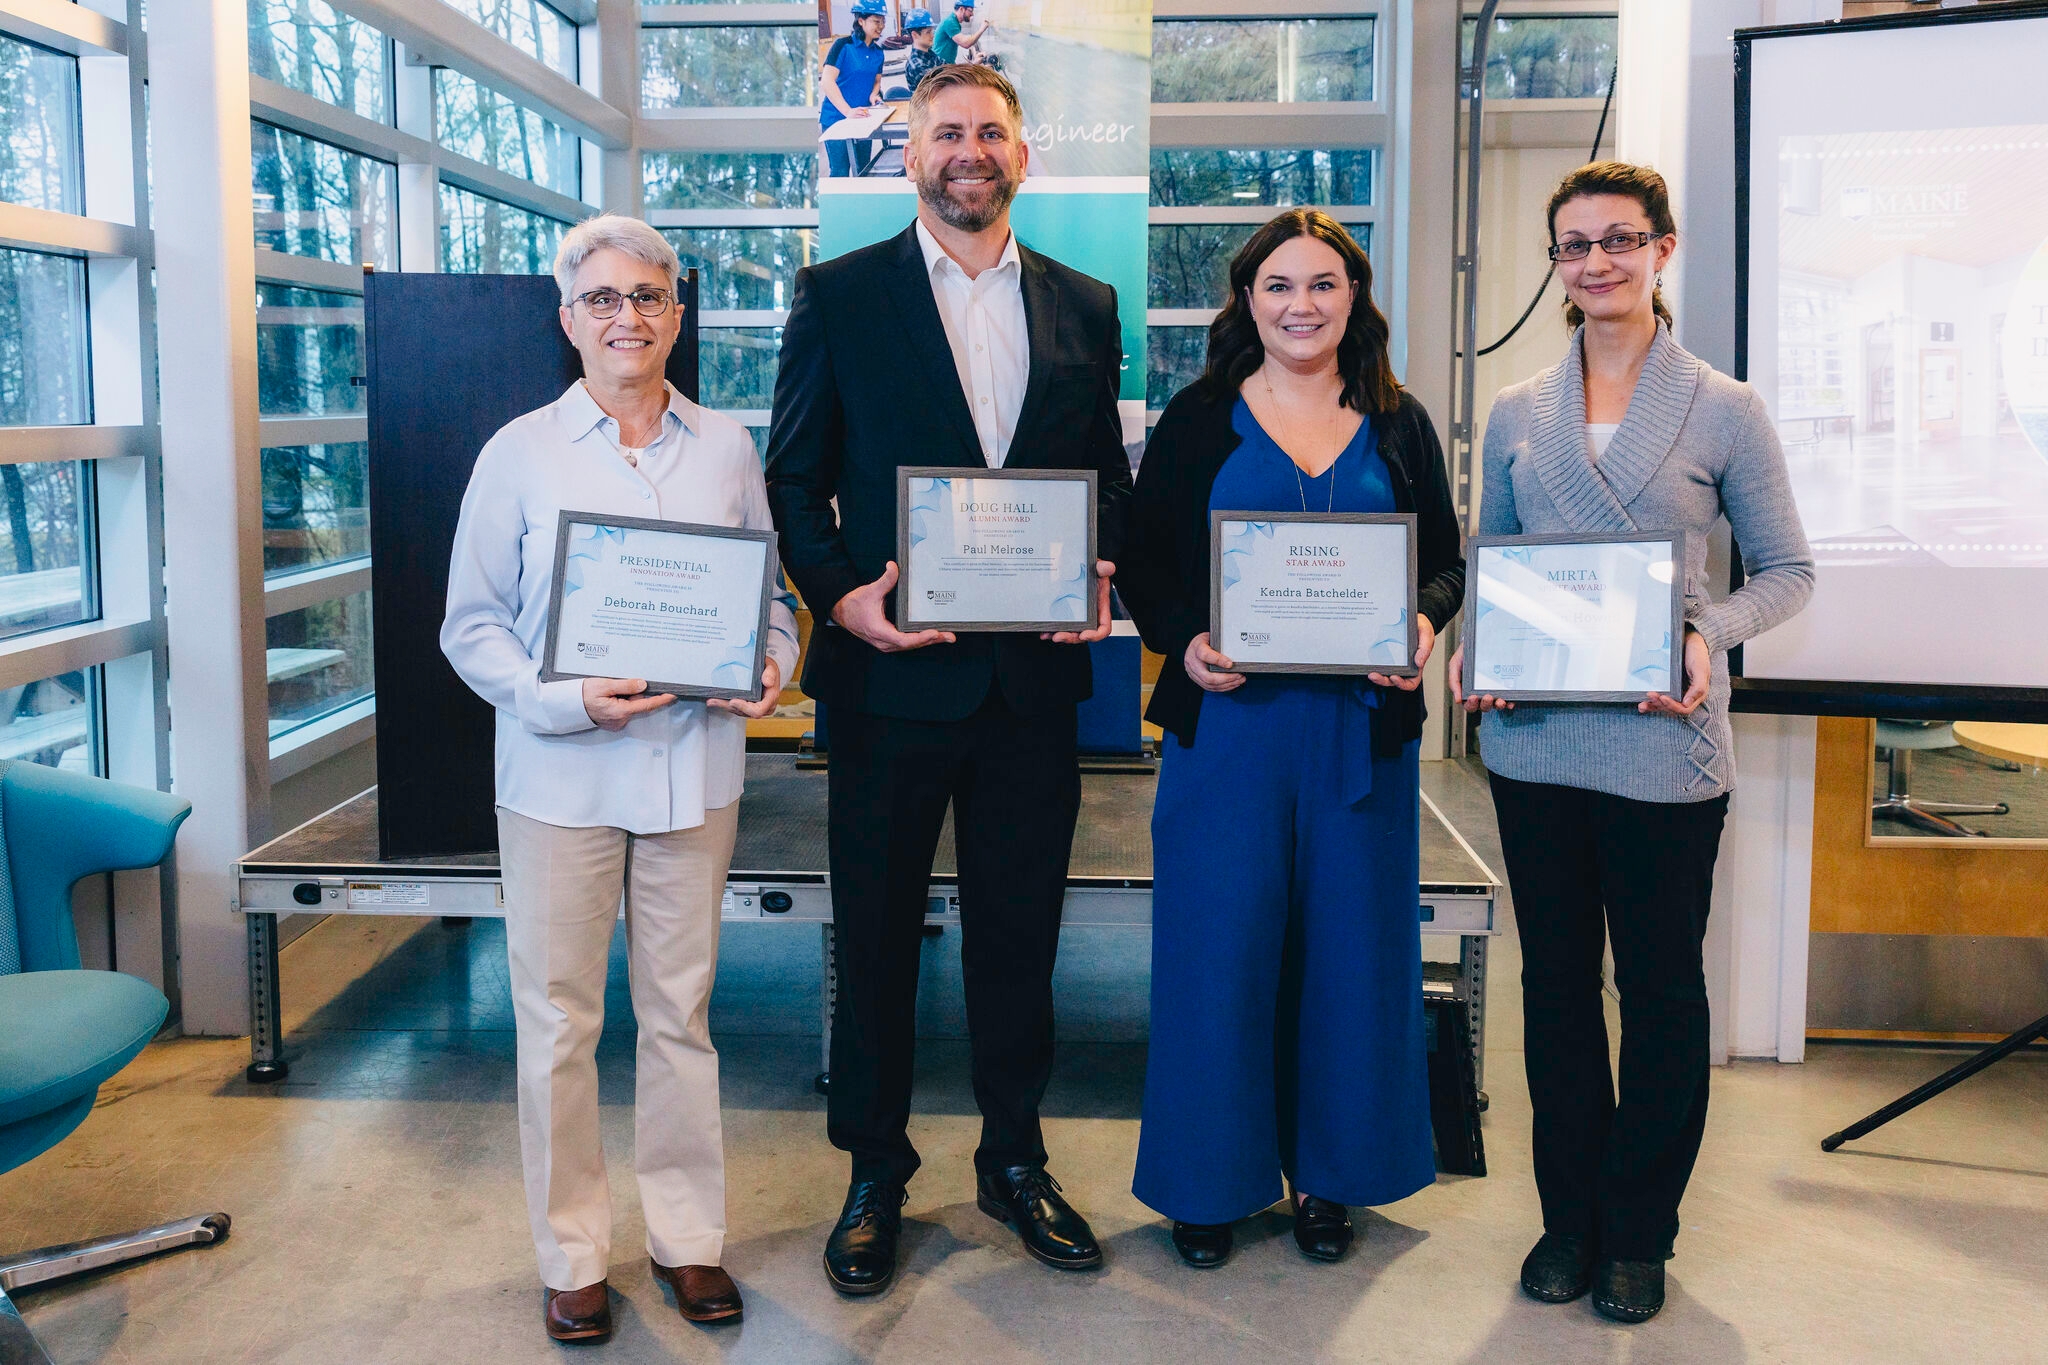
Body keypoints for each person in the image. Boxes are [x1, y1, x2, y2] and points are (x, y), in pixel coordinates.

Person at [765, 63, 1131, 1295]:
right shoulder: (838, 294)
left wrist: (1101, 574)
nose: (967, 151)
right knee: (870, 940)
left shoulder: (1087, 302)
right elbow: (791, 476)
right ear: (906, 157)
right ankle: (875, 1170)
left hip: (1028, 689)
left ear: (1022, 156)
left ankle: (1014, 1161)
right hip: (888, 683)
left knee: (1020, 940)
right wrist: (838, 596)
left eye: (988, 132)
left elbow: (1101, 482)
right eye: (944, 134)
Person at [1448, 161, 1814, 1324]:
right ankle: (1566, 1221)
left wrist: (1706, 633)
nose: (1595, 261)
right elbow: (1487, 569)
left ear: (1660, 250)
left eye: (1617, 239)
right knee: (1554, 988)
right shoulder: (1515, 411)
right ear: (1553, 263)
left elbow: (1787, 574)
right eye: (1572, 244)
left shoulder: (1722, 406)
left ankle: (1636, 1232)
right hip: (1536, 746)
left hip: (1663, 747)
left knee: (1657, 993)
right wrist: (1473, 649)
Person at [441, 214, 799, 1344]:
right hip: (557, 778)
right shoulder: (517, 453)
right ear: (568, 318)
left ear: (675, 316)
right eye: (601, 299)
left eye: (646, 297)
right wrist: (564, 699)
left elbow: (773, 602)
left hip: (693, 775)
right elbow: (470, 626)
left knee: (679, 1018)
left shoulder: (727, 448)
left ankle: (688, 1241)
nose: (626, 317)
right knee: (554, 1021)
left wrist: (774, 666)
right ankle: (572, 1254)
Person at [1117, 210, 1462, 1270]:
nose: (1299, 304)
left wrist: (1420, 620)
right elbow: (1142, 565)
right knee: (1215, 954)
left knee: (1353, 961)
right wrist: (1183, 646)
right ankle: (1206, 1186)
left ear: (1352, 297)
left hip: (1359, 737)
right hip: (1229, 731)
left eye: (1321, 284)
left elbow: (1444, 561)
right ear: (1246, 300)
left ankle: (1330, 1178)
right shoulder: (1198, 419)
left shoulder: (1397, 423)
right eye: (1277, 286)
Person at [821, 0, 889, 178]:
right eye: (876, 21)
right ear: (861, 21)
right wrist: (847, 111)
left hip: (862, 118)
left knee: (862, 169)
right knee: (840, 171)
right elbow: (827, 81)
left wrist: (874, 95)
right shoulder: (842, 46)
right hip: (836, 118)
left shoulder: (878, 52)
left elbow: (876, 81)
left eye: (883, 21)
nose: (881, 26)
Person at [903, 9, 941, 91]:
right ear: (915, 35)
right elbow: (938, 88)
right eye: (928, 32)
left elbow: (948, 68)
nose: (932, 35)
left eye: (932, 31)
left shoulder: (930, 54)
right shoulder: (916, 65)